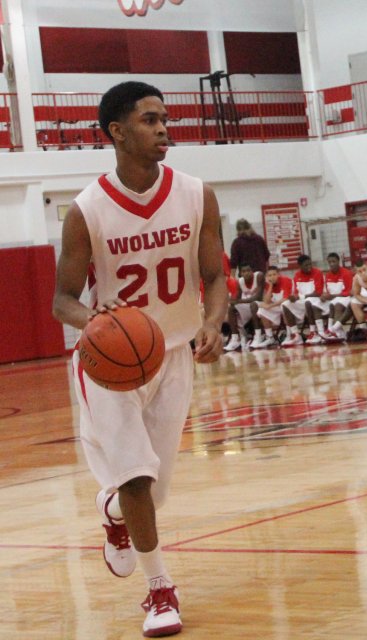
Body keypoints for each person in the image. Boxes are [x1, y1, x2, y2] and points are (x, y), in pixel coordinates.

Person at [52, 81, 228, 637]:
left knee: (156, 488)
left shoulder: (197, 193)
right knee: (135, 475)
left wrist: (213, 322)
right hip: (110, 361)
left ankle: (115, 518)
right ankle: (160, 590)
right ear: (117, 132)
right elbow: (62, 300)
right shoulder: (86, 210)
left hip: (172, 353)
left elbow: (215, 275)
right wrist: (96, 322)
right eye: (150, 120)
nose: (163, 130)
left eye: (165, 119)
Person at [280, 254, 324, 347]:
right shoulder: (297, 275)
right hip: (302, 300)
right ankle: (296, 335)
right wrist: (293, 297)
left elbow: (319, 292)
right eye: (306, 265)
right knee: (285, 304)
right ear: (300, 266)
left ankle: (313, 332)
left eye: (310, 264)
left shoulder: (317, 272)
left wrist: (301, 296)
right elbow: (296, 292)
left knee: (308, 302)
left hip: (315, 300)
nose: (309, 267)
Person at [223, 264, 264, 351]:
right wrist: (231, 300)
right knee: (232, 308)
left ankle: (258, 335)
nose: (246, 273)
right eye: (244, 272)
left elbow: (259, 297)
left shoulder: (259, 276)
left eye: (248, 271)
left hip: (262, 304)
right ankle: (235, 338)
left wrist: (240, 301)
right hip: (249, 305)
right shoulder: (240, 282)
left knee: (253, 304)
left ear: (252, 271)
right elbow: (237, 298)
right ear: (240, 273)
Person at [252, 265, 293, 348]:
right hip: (277, 306)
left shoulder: (286, 280)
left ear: (278, 274)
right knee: (262, 311)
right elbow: (266, 301)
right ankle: (270, 337)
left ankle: (290, 335)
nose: (272, 277)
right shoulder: (268, 285)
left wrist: (270, 306)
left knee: (284, 305)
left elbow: (285, 299)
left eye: (274, 274)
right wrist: (270, 286)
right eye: (269, 275)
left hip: (289, 305)